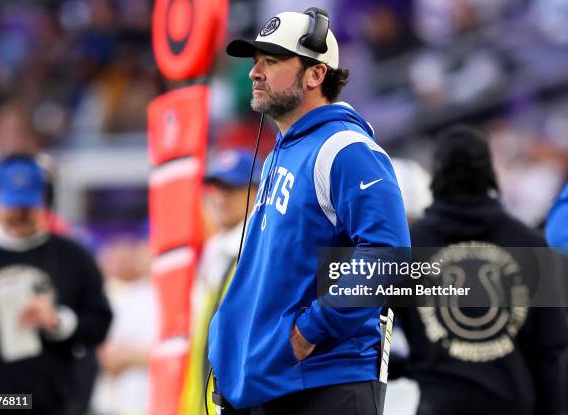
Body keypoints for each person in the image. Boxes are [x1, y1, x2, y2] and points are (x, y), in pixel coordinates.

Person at [208, 8, 410, 414]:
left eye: (272, 60)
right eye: (256, 61)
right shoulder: (278, 155)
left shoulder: (347, 149)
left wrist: (312, 328)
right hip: (273, 386)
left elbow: (388, 257)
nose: (254, 72)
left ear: (316, 75)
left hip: (324, 384)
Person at [398, 125, 567, 415]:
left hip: (439, 404)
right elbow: (551, 351)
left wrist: (411, 366)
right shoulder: (531, 245)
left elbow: (364, 331)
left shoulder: (408, 249)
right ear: (490, 172)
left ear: (435, 175)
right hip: (513, 404)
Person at [0, 153, 112, 415]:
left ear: (46, 200)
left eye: (27, 207)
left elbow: (100, 323)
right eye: (12, 206)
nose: (19, 215)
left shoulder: (73, 256)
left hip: (52, 402)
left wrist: (59, 321)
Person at [180, 149, 260, 415]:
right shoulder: (216, 250)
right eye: (216, 188)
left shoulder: (255, 250)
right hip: (203, 396)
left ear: (257, 191)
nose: (220, 198)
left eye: (232, 188)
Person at [91, 237, 158, 415]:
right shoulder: (108, 294)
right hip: (108, 401)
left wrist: (132, 357)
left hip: (148, 401)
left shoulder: (162, 294)